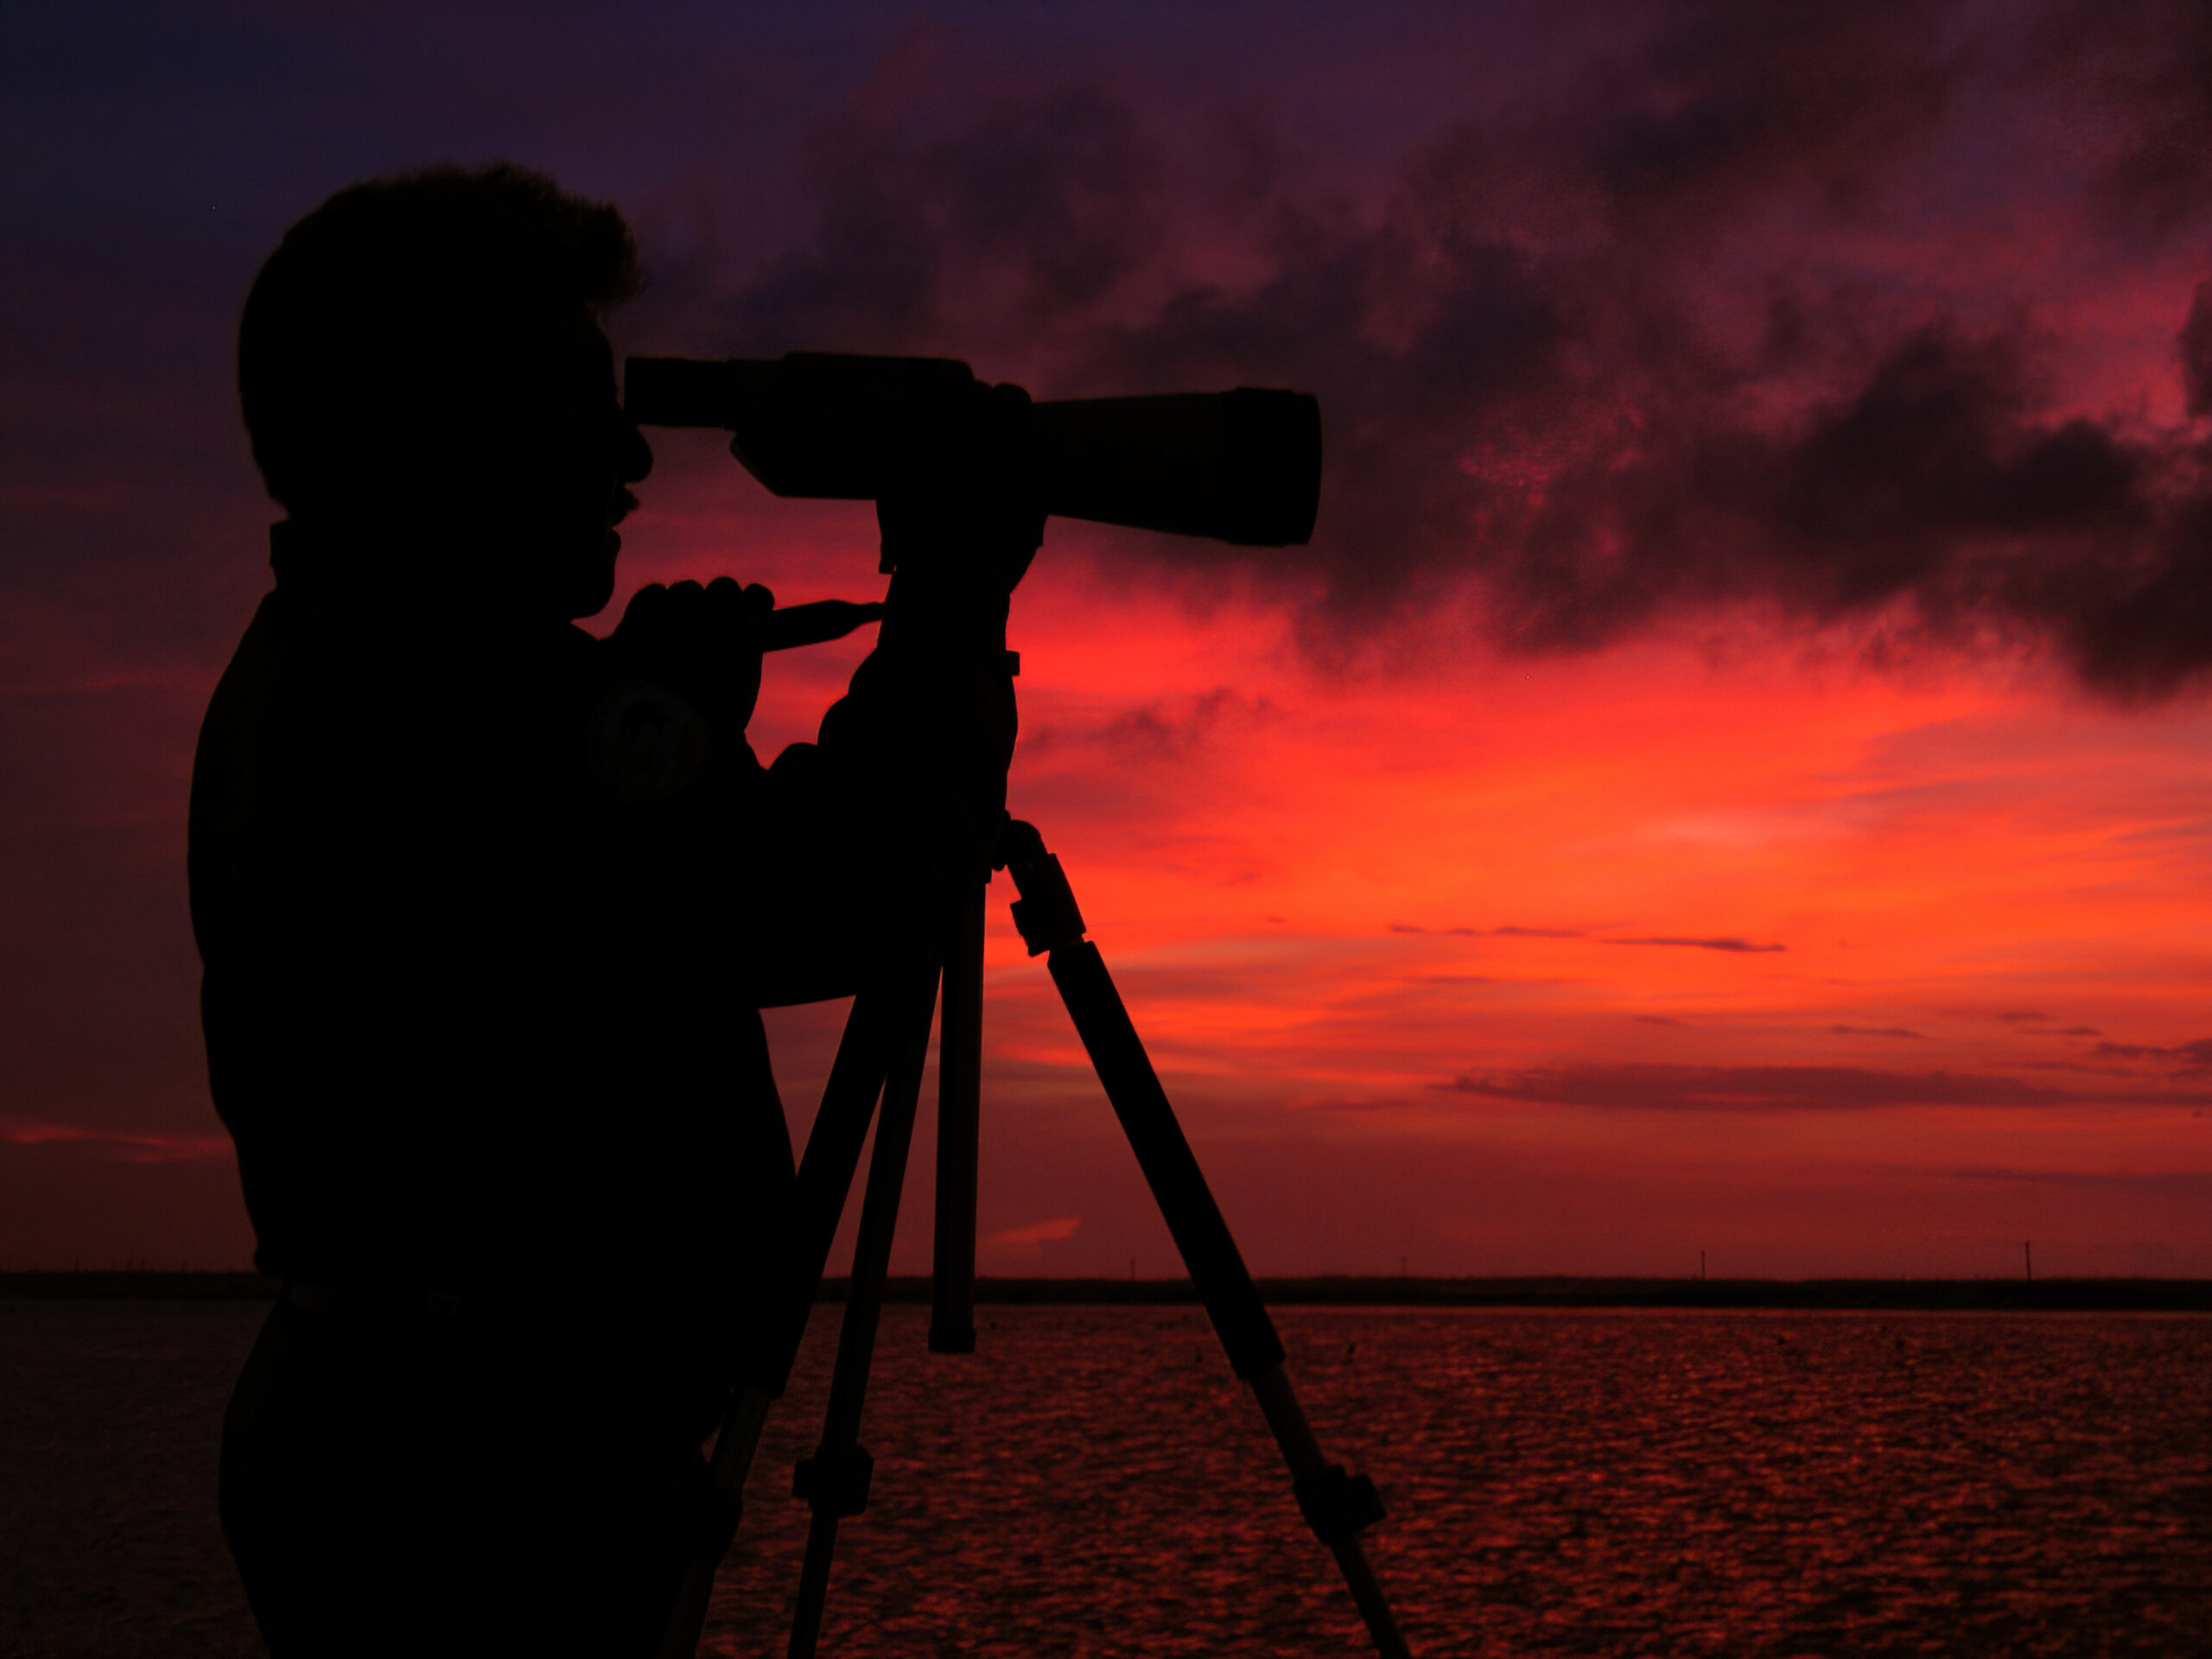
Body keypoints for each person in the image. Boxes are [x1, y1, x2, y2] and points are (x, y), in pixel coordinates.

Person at [189, 163, 1036, 1656]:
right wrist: (955, 602)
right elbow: (841, 888)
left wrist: (673, 722)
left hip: (418, 1436)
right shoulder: (467, 691)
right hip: (481, 1483)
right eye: (584, 407)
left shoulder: (354, 658)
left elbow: (582, 924)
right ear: (447, 424)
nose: (631, 457)